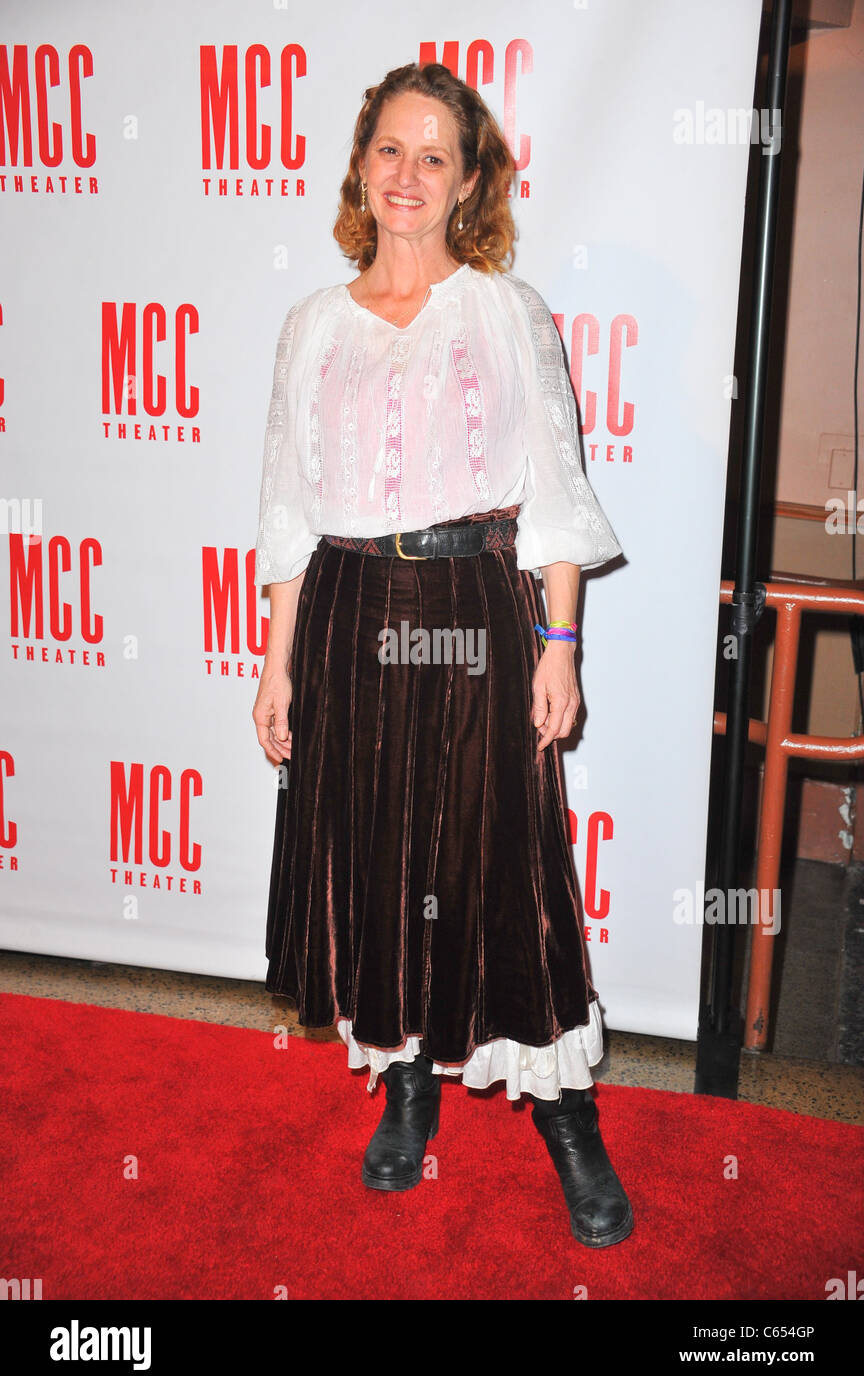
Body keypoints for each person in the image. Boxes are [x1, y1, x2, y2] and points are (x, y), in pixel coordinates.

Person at [252, 61, 633, 1248]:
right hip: (350, 611)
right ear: (361, 163)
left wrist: (558, 643)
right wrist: (275, 663)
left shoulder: (506, 310)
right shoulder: (313, 322)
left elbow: (558, 496)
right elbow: (284, 509)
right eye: (389, 150)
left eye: (435, 156)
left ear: (470, 181)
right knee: (376, 853)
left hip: (475, 599)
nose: (407, 175)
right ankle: (408, 1087)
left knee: (502, 860)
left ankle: (568, 1117)